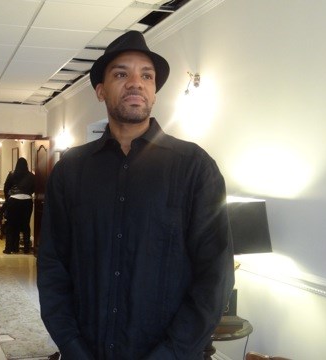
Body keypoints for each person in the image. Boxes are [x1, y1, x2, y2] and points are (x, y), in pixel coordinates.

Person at [37, 30, 234, 359]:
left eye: (146, 75)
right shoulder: (71, 170)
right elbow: (53, 265)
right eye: (120, 74)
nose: (135, 83)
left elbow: (215, 276)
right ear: (101, 91)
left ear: (154, 91)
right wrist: (71, 346)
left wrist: (170, 353)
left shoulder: (194, 168)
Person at [3, 157, 35, 254]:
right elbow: (33, 188)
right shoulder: (31, 176)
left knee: (12, 225)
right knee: (25, 225)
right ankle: (26, 249)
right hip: (27, 201)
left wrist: (7, 199)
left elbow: (6, 187)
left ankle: (10, 248)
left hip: (14, 201)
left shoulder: (12, 174)